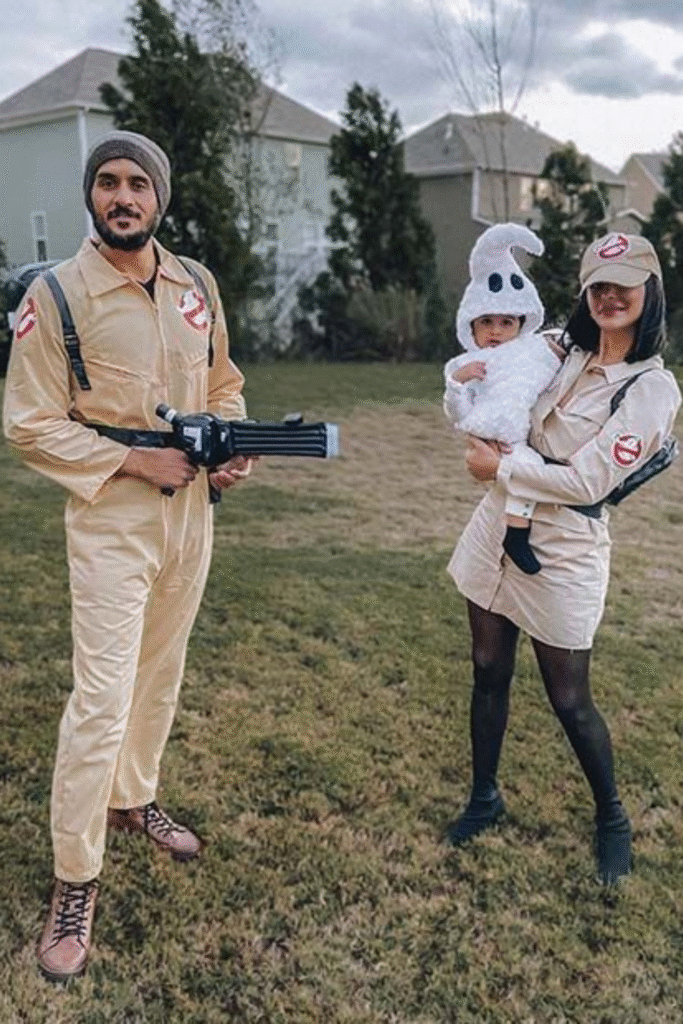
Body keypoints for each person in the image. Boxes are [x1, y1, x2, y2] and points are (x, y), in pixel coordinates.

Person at [3, 130, 251, 981]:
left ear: (158, 198)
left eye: (137, 184)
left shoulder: (195, 285)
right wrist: (133, 461)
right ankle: (75, 877)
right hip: (111, 517)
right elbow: (28, 421)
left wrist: (229, 446)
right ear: (91, 195)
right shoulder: (56, 295)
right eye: (107, 181)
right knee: (101, 697)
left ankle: (132, 798)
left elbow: (222, 383)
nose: (122, 196)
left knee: (159, 673)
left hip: (191, 517)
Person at [445, 232, 681, 885]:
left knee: (570, 698)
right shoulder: (558, 348)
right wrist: (462, 399)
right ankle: (484, 798)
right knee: (487, 667)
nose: (609, 296)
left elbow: (586, 482)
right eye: (597, 284)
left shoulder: (651, 389)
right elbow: (483, 377)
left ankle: (612, 819)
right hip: (497, 524)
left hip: (565, 546)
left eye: (623, 284)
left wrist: (500, 467)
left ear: (649, 291)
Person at [443, 223, 564, 574]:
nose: (496, 331)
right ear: (471, 325)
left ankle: (516, 531)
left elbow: (551, 358)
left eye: (506, 322)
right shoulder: (464, 365)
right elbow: (456, 413)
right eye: (487, 322)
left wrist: (557, 350)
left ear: (521, 324)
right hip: (487, 431)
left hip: (519, 433)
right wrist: (458, 384)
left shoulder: (530, 352)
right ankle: (517, 533)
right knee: (525, 469)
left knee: (530, 468)